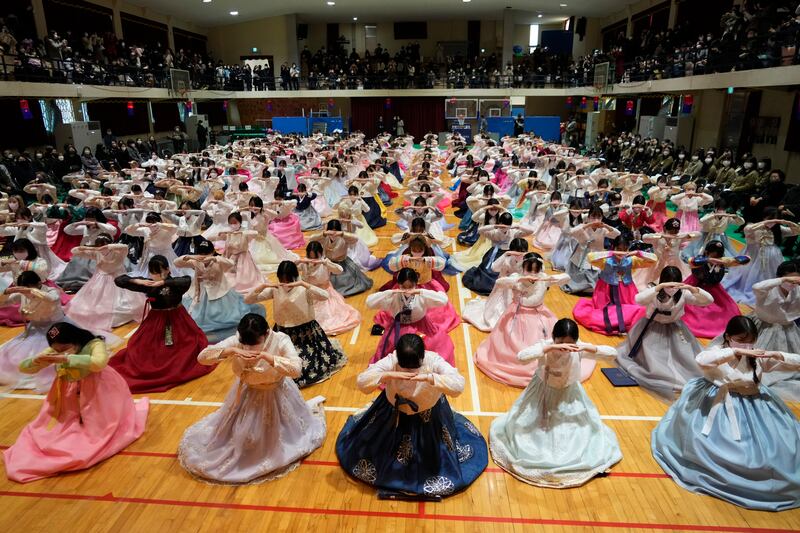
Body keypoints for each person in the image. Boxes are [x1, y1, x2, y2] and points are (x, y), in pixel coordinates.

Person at [651, 316, 800, 511]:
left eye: (750, 341)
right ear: (728, 337)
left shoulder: (755, 357)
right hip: (718, 403)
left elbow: (797, 362)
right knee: (727, 448)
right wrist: (734, 351)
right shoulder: (719, 352)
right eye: (740, 340)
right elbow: (702, 360)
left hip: (755, 405)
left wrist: (777, 355)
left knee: (779, 446)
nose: (746, 345)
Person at [178, 314, 326, 485]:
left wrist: (267, 357)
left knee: (269, 437)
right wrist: (232, 350)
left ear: (267, 333)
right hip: (248, 393)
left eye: (255, 344)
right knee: (238, 434)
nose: (249, 349)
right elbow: (202, 357)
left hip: (275, 393)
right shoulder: (238, 340)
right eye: (245, 344)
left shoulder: (280, 339)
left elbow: (296, 369)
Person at [335, 333, 487, 498]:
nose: (408, 371)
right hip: (392, 413)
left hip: (428, 418)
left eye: (413, 366)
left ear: (423, 356)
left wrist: (430, 378)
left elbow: (458, 385)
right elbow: (362, 382)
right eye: (404, 365)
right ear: (398, 356)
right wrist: (388, 375)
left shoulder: (433, 361)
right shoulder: (391, 360)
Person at [3, 322, 148, 483]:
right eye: (56, 349)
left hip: (98, 389)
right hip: (68, 391)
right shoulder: (56, 350)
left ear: (74, 339)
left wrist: (67, 358)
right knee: (60, 425)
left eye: (64, 347)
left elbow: (99, 363)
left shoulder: (94, 344)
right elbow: (25, 368)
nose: (59, 351)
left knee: (99, 425)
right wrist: (37, 360)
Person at [490, 318, 621, 488]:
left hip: (569, 394)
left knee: (575, 432)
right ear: (553, 337)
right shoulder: (546, 346)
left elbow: (612, 353)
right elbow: (522, 357)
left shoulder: (578, 348)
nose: (565, 348)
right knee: (532, 431)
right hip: (543, 392)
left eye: (570, 343)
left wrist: (588, 347)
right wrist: (550, 347)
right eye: (561, 342)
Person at [474, 253, 581, 388]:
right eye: (529, 269)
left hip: (539, 315)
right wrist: (521, 278)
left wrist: (550, 278)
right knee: (511, 342)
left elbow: (567, 277)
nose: (533, 273)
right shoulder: (517, 278)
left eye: (536, 270)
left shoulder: (543, 278)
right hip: (517, 315)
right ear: (522, 268)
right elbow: (499, 282)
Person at [110, 256, 211, 393]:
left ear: (167, 269)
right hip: (156, 320)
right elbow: (119, 281)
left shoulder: (175, 283)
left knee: (186, 346)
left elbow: (186, 280)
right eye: (153, 272)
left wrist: (163, 282)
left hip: (178, 319)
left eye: (159, 271)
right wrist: (138, 280)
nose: (156, 275)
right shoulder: (148, 284)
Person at [244, 260, 347, 387]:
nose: (286, 283)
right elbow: (248, 300)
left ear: (295, 276)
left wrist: (304, 284)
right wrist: (262, 286)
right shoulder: (276, 289)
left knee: (302, 368)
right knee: (276, 365)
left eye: (289, 280)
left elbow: (325, 296)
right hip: (282, 332)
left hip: (305, 333)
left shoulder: (304, 288)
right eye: (282, 279)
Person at [615, 266, 710, 400]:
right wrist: (659, 287)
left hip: (675, 329)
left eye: (674, 283)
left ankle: (681, 376)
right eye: (668, 282)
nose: (671, 287)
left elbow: (708, 300)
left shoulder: (683, 294)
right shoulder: (653, 290)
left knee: (685, 357)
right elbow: (638, 299)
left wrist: (693, 289)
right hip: (652, 329)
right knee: (654, 360)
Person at [175, 239, 265, 344]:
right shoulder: (195, 261)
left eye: (206, 254)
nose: (203, 257)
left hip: (219, 292)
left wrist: (215, 258)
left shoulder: (218, 261)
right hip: (199, 292)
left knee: (225, 314)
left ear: (212, 252)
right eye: (201, 254)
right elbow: (177, 263)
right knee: (193, 315)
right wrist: (189, 257)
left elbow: (231, 264)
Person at [366, 267, 454, 365]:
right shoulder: (394, 297)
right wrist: (391, 292)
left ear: (416, 284)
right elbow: (369, 302)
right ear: (399, 285)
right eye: (404, 287)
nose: (407, 290)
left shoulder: (421, 296)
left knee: (433, 344)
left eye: (411, 286)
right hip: (398, 328)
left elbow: (443, 300)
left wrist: (420, 291)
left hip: (422, 326)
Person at [572, 236, 657, 335]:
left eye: (624, 249)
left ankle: (623, 322)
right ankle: (613, 323)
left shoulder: (632, 260)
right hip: (605, 292)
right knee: (604, 312)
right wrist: (611, 253)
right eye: (619, 249)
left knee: (633, 310)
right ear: (614, 248)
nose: (621, 252)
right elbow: (590, 257)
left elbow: (653, 259)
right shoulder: (605, 261)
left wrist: (637, 253)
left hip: (627, 291)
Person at [0, 271, 67, 391]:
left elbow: (53, 299)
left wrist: (30, 291)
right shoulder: (23, 294)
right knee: (11, 355)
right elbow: (2, 303)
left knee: (48, 358)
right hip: (35, 329)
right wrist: (6, 292)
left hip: (56, 329)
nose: (24, 292)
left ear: (38, 283)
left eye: (28, 288)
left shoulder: (50, 291)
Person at [682, 241, 751, 339]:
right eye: (714, 253)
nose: (717, 256)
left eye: (719, 254)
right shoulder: (699, 261)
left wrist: (723, 261)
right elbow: (691, 261)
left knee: (727, 310)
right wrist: (709, 260)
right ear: (706, 252)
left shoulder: (722, 261)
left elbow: (747, 259)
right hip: (697, 288)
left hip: (714, 289)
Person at [298, 241, 360, 336]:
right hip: (308, 294)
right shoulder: (305, 263)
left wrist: (325, 263)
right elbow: (293, 269)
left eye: (315, 256)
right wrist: (298, 261)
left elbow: (339, 270)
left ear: (320, 254)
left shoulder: (325, 262)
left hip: (324, 294)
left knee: (327, 320)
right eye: (310, 256)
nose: (313, 259)